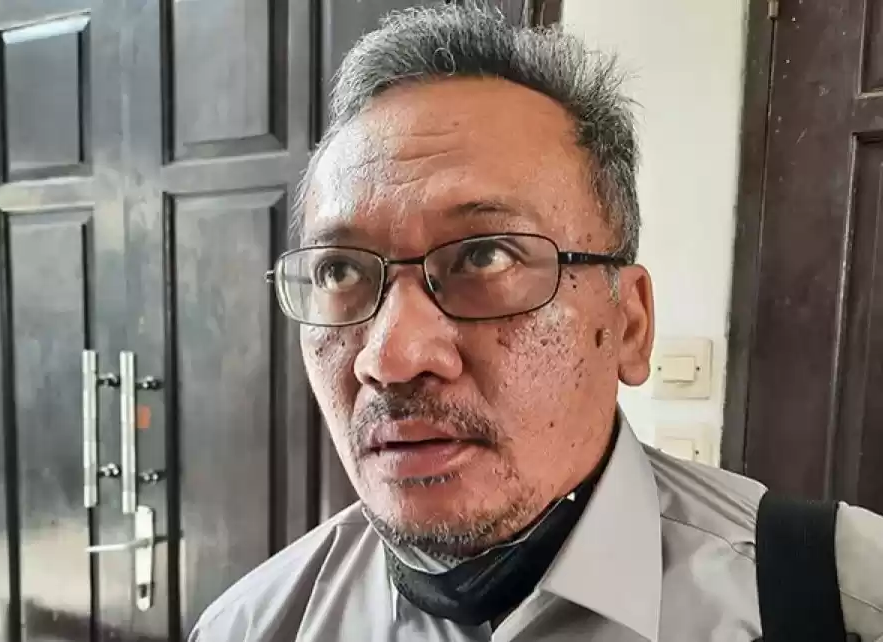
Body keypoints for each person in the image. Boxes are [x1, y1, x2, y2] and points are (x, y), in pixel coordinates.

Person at [190, 4, 883, 641]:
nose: (391, 358)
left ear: (629, 324)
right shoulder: (253, 626)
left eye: (485, 256)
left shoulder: (840, 601)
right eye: (341, 270)